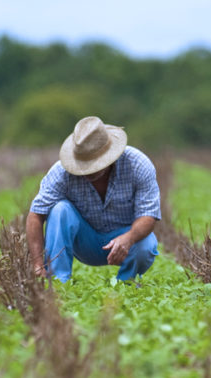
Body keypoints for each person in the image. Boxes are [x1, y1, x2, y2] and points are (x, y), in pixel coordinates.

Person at [26, 116, 160, 284]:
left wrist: (129, 238)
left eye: (94, 163)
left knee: (146, 244)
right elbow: (35, 215)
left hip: (124, 238)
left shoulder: (138, 165)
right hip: (85, 242)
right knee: (60, 210)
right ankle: (58, 283)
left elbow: (148, 215)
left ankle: (127, 285)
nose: (89, 170)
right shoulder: (61, 172)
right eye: (84, 163)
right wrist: (37, 264)